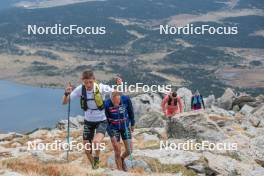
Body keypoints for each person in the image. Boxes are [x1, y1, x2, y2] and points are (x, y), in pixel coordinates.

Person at [62, 70, 122, 169]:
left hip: (101, 121)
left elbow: (115, 92)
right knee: (87, 149)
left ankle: (97, 159)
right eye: (86, 82)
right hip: (88, 121)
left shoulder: (101, 87)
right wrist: (66, 93)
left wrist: (119, 85)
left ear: (94, 80)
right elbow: (65, 102)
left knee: (96, 142)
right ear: (83, 81)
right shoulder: (80, 89)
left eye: (90, 82)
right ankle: (95, 166)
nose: (88, 85)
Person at [105, 91, 135, 171]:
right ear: (111, 99)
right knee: (117, 151)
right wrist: (111, 134)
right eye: (115, 103)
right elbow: (105, 121)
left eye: (118, 102)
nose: (117, 105)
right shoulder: (106, 104)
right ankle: (120, 171)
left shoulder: (126, 99)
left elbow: (131, 112)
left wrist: (132, 124)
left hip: (125, 126)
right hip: (113, 128)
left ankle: (122, 158)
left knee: (129, 150)